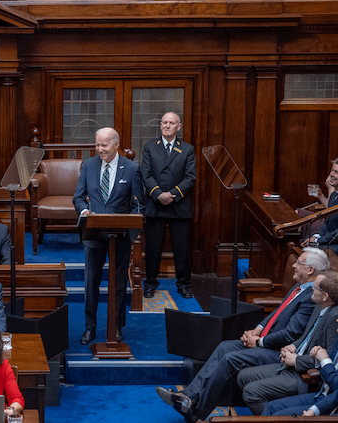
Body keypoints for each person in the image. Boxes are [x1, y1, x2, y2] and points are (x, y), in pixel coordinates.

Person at [155, 247, 326, 423]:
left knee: (230, 359)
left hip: (278, 351)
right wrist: (258, 328)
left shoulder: (310, 298)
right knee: (224, 347)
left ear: (310, 269)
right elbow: (279, 312)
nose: (294, 266)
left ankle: (194, 412)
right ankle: (189, 396)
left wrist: (259, 342)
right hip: (266, 339)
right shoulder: (299, 288)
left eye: (298, 263)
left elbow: (291, 334)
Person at [72, 127, 143, 345]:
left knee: (119, 283)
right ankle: (90, 328)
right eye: (97, 145)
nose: (99, 149)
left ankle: (116, 327)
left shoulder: (131, 168)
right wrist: (85, 212)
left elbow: (139, 204)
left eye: (104, 145)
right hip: (93, 234)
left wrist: (132, 226)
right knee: (91, 283)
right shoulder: (89, 166)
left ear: (116, 144)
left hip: (119, 236)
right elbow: (78, 198)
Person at [237, 271, 338, 414]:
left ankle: (274, 415)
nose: (311, 289)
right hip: (291, 362)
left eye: (315, 287)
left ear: (325, 296)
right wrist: (292, 346)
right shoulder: (319, 306)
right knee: (243, 376)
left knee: (251, 392)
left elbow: (328, 358)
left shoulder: (334, 318)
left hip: (304, 375)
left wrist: (296, 360)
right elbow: (306, 336)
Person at [140, 112, 196, 299]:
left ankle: (184, 285)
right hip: (156, 205)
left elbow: (190, 177)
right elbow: (145, 175)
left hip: (178, 205)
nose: (167, 126)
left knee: (182, 250)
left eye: (171, 123)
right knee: (153, 250)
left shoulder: (187, 149)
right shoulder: (149, 147)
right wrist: (158, 194)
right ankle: (150, 284)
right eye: (164, 122)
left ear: (178, 127)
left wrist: (172, 195)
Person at [264, 329, 338, 416]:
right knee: (270, 407)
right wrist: (318, 355)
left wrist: (324, 360)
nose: (336, 320)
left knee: (278, 416)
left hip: (333, 405)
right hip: (323, 394)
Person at [304, 157, 338, 254]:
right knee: (302, 243)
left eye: (336, 172)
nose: (331, 174)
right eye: (332, 170)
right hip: (326, 240)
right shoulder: (335, 195)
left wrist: (317, 241)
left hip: (333, 246)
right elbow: (327, 222)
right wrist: (316, 237)